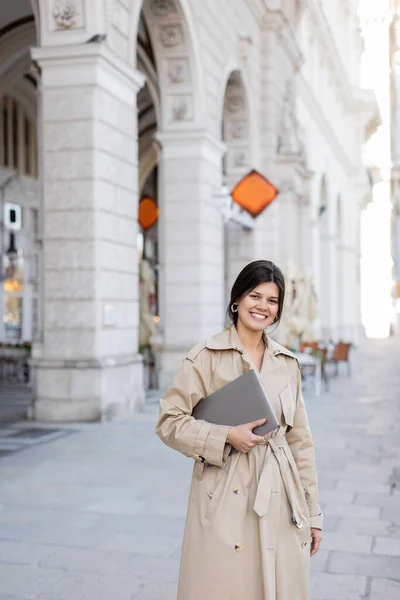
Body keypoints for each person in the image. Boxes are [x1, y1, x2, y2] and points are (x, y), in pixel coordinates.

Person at [156, 260, 323, 600]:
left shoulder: (287, 363)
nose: (262, 306)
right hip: (223, 492)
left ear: (277, 311)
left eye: (272, 301)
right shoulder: (205, 357)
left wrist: (313, 512)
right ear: (237, 300)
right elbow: (169, 421)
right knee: (224, 586)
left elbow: (300, 442)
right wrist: (225, 436)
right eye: (254, 296)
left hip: (280, 493)